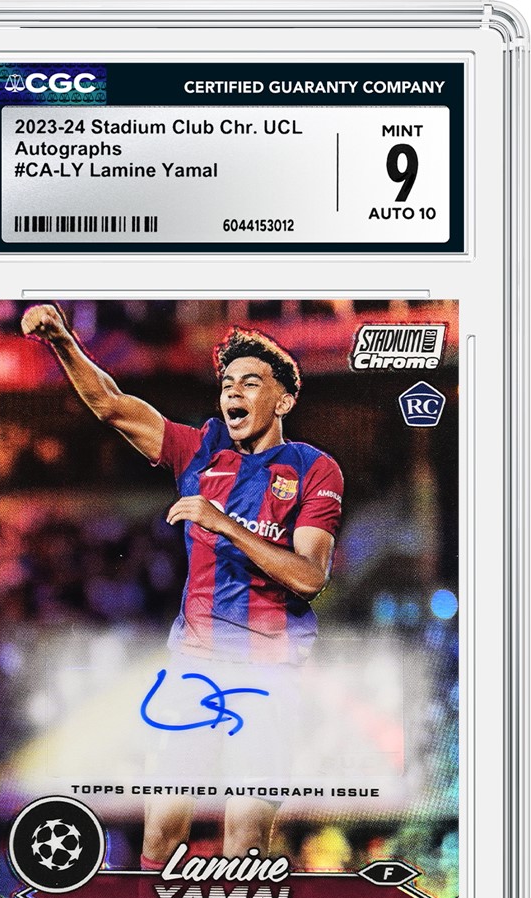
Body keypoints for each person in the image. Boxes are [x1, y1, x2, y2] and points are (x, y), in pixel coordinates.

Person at [21, 303, 343, 866]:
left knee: (245, 838)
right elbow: (111, 404)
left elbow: (309, 576)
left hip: (270, 672)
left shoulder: (314, 470)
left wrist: (225, 525)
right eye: (227, 383)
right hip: (194, 664)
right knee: (160, 832)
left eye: (250, 382)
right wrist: (62, 339)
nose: (233, 392)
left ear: (283, 400)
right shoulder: (199, 450)